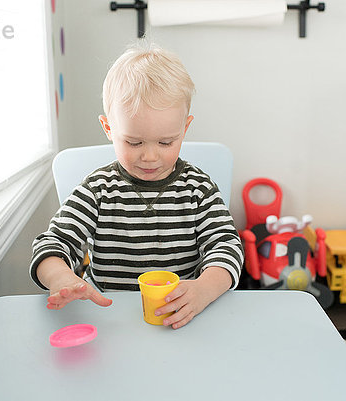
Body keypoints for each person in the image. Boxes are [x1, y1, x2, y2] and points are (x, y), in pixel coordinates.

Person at [30, 42, 243, 329]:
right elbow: (52, 244)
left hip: (180, 316)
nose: (150, 156)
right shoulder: (97, 190)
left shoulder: (198, 189)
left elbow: (226, 246)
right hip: (109, 318)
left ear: (185, 128)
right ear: (108, 129)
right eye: (134, 142)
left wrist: (203, 290)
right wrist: (62, 278)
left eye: (166, 142)